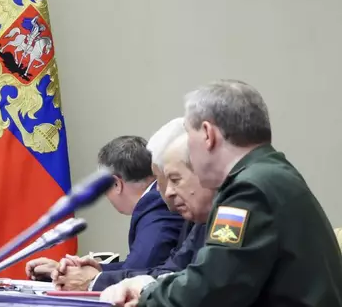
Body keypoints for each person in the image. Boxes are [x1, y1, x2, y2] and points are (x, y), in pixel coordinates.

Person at [101, 79, 342, 307]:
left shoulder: (248, 190)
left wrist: (147, 295)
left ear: (208, 134)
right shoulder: (271, 173)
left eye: (188, 134)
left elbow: (211, 289)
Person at [26, 136, 185, 290]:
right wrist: (78, 271)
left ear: (116, 184)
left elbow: (138, 273)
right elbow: (138, 268)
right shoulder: (153, 202)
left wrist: (90, 278)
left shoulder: (157, 204)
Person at [92, 130, 214, 291]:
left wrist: (95, 278)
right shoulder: (198, 216)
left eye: (174, 179)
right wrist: (99, 271)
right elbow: (172, 269)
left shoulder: (156, 203)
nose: (166, 190)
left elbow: (144, 266)